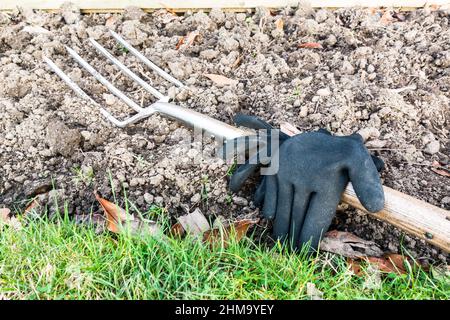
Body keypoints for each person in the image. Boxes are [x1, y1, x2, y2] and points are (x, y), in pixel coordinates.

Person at [224, 114, 385, 252]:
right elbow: (374, 203)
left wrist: (341, 148)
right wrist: (296, 145)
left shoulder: (350, 150)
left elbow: (375, 203)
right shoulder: (349, 149)